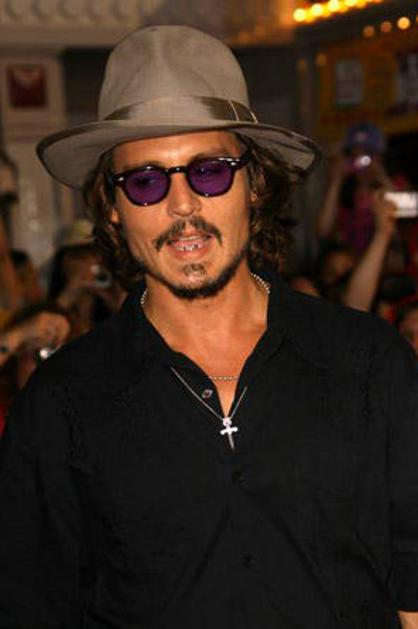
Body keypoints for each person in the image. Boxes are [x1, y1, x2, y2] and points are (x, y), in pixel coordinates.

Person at [0, 25, 417, 629]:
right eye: (146, 181)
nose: (182, 205)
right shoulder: (61, 404)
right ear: (112, 209)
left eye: (211, 172)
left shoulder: (369, 359)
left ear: (256, 184)